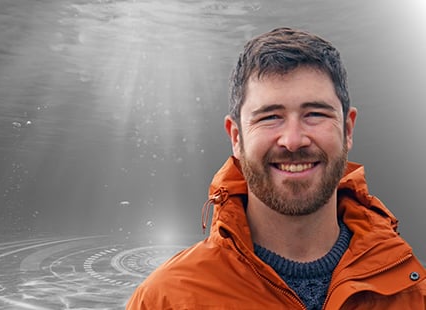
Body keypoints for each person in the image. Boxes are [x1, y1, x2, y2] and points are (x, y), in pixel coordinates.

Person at [126, 27, 426, 309]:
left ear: (348, 130)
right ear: (236, 137)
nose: (293, 140)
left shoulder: (413, 293)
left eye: (315, 113)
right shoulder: (165, 300)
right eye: (270, 117)